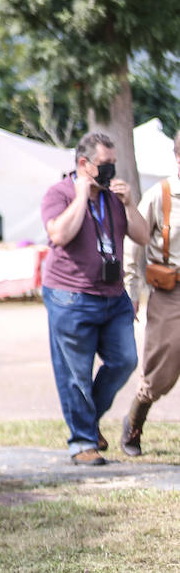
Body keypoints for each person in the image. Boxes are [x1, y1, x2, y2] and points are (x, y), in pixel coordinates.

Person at [39, 131, 147, 465]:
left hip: (113, 297)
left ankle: (88, 421)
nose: (111, 171)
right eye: (105, 164)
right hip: (70, 296)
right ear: (84, 164)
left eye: (114, 164)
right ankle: (82, 442)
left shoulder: (114, 198)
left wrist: (129, 203)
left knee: (125, 360)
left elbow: (141, 236)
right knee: (75, 372)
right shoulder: (59, 193)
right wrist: (81, 196)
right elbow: (59, 234)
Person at [119, 129, 180, 455]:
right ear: (177, 156)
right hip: (171, 292)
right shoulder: (163, 194)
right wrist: (131, 289)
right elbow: (135, 238)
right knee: (162, 369)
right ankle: (135, 421)